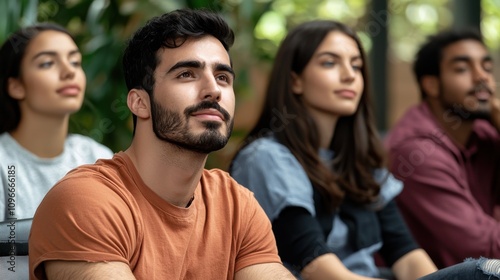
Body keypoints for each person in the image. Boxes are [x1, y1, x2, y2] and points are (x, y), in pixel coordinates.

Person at [29, 8, 296, 280]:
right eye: (187, 74)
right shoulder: (87, 201)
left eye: (223, 77)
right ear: (139, 103)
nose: (213, 90)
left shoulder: (237, 205)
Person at [230, 20, 437, 280]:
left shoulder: (360, 161)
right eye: (330, 62)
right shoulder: (266, 157)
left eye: (357, 65)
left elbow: (407, 255)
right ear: (295, 81)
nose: (350, 75)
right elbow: (317, 268)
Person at [385, 28, 500, 269]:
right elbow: (485, 249)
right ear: (431, 85)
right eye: (462, 69)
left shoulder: (486, 134)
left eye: (487, 68)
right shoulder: (416, 152)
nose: (482, 78)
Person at [0, 23, 114, 222]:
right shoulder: (3, 164)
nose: (69, 72)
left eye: (75, 62)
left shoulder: (97, 158)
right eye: (47, 63)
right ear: (16, 86)